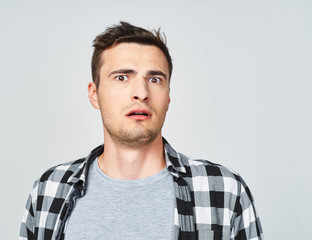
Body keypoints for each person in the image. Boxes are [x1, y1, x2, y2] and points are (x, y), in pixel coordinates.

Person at [19, 22, 263, 240]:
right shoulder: (49, 190)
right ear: (94, 94)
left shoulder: (223, 190)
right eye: (122, 77)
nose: (141, 93)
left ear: (168, 97)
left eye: (155, 79)